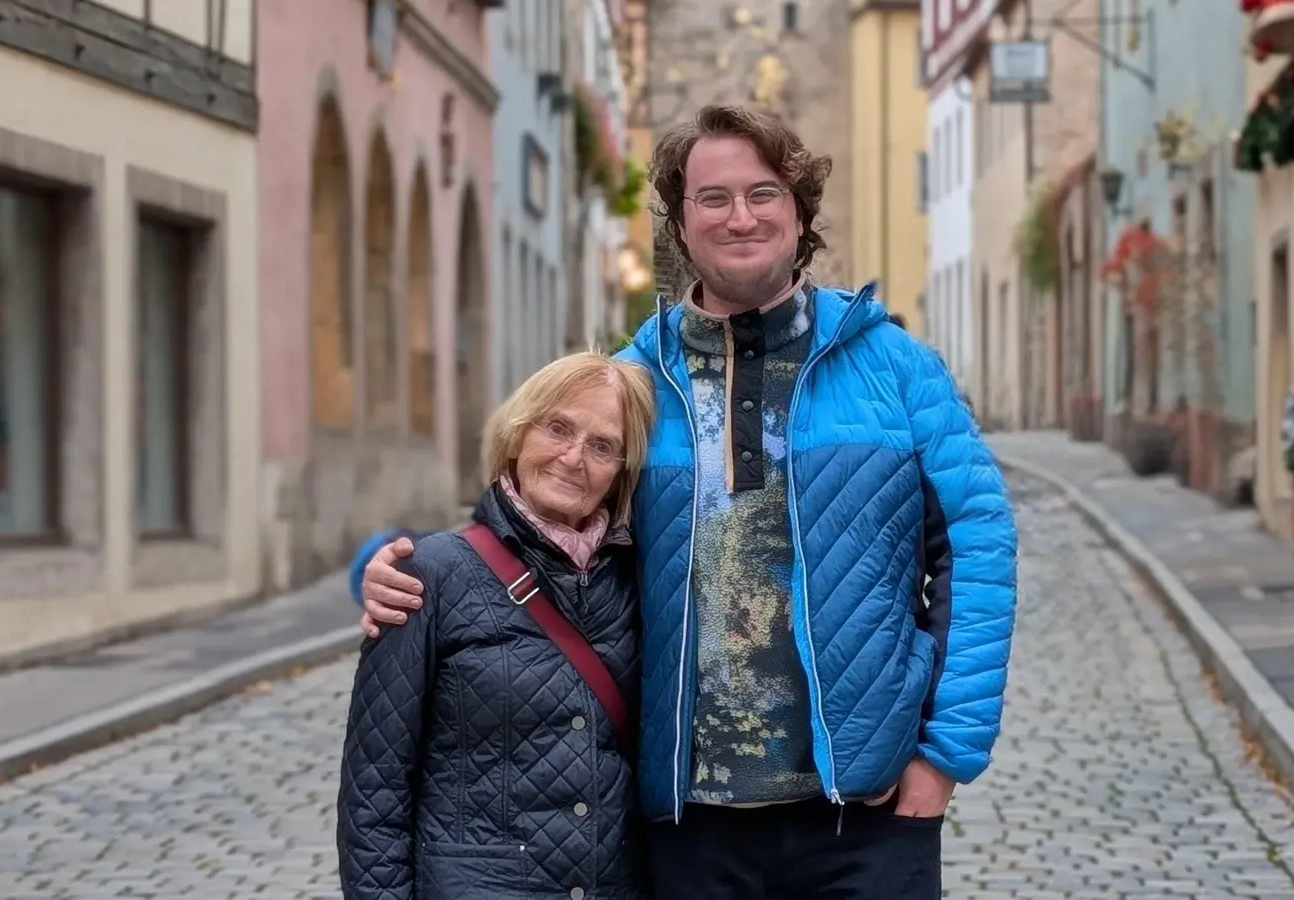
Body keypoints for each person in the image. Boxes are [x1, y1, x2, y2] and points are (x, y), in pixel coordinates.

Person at [352, 104, 1019, 900]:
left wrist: (943, 756)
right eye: (713, 197)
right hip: (690, 824)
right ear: (679, 220)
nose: (741, 216)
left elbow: (979, 543)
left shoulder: (894, 367)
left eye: (764, 193)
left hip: (864, 818)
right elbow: (526, 520)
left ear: (799, 211)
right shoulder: (633, 380)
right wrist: (392, 564)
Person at [336, 351, 656, 900]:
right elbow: (375, 791)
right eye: (558, 428)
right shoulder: (430, 575)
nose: (573, 457)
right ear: (518, 432)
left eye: (602, 446)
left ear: (621, 473)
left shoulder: (639, 578)